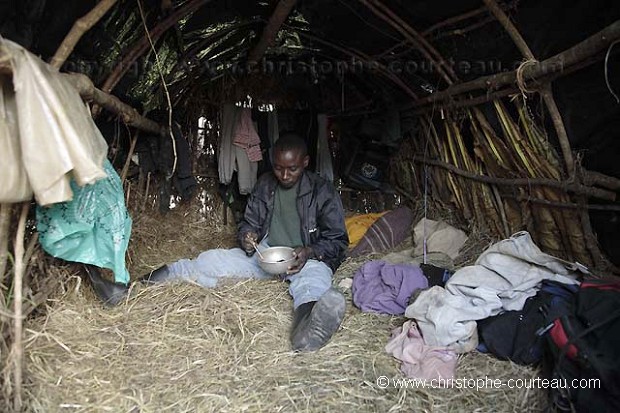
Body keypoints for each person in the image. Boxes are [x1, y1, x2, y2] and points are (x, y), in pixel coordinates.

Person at [141, 133, 349, 352]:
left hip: (306, 261)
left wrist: (309, 251)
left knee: (312, 285)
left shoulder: (322, 191)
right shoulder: (265, 184)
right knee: (211, 260)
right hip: (265, 256)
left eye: (292, 169)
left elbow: (338, 239)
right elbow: (248, 223)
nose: (285, 175)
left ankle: (305, 333)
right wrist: (248, 236)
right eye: (278, 168)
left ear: (305, 163)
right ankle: (136, 286)